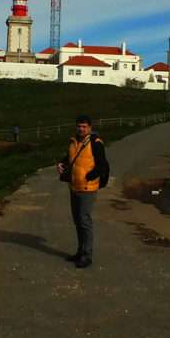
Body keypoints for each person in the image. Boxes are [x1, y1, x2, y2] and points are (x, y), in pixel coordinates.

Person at [56, 115, 108, 269]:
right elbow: (69, 158)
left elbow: (102, 166)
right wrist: (61, 163)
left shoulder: (96, 143)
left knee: (84, 221)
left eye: (84, 126)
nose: (81, 129)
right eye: (79, 126)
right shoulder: (73, 142)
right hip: (74, 187)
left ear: (90, 127)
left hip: (87, 188)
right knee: (78, 221)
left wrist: (88, 177)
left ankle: (87, 255)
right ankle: (80, 252)